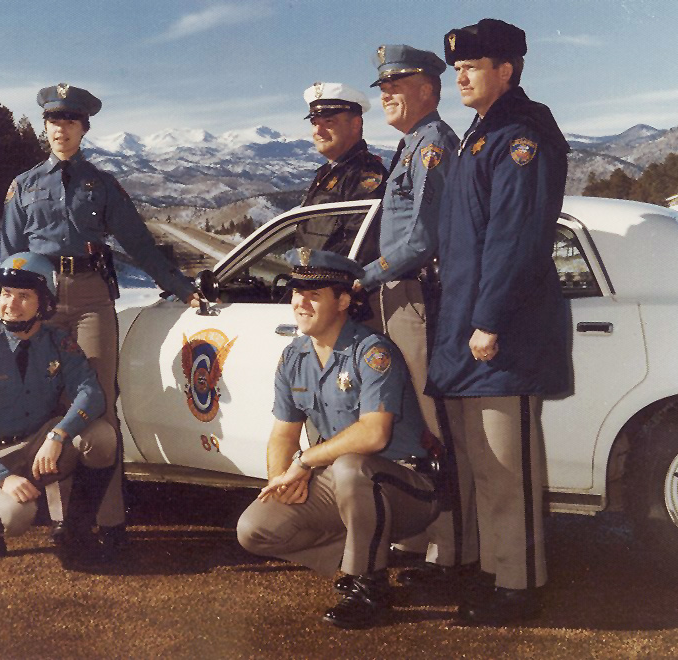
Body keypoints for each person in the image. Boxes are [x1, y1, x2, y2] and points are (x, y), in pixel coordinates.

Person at [1, 83, 200, 560]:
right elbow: (9, 253)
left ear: (84, 129)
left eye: (71, 122)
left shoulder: (101, 185)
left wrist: (180, 287)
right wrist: (13, 305)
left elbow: (139, 243)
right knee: (47, 402)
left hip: (91, 298)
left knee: (97, 404)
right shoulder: (23, 185)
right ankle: (60, 518)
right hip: (41, 298)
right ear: (45, 128)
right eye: (54, 122)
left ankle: (109, 520)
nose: (61, 129)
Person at [428, 19, 571, 624]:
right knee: (485, 467)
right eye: (457, 66)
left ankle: (519, 588)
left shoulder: (521, 135)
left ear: (506, 70)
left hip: (501, 336)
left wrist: (487, 320)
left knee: (508, 470)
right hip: (469, 333)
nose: (460, 74)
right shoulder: (480, 134)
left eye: (473, 64)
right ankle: (496, 577)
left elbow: (515, 240)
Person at [236, 248, 440, 630]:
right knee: (255, 529)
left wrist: (305, 461)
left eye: (314, 294)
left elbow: (374, 434)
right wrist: (280, 479)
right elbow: (284, 431)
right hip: (349, 484)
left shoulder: (373, 351)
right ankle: (358, 556)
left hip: (407, 485)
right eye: (297, 291)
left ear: (343, 300)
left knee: (350, 467)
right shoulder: (293, 356)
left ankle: (370, 586)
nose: (301, 302)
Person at [356, 45, 479, 587]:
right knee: (411, 424)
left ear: (428, 89)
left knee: (435, 426)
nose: (385, 92)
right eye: (383, 84)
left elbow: (423, 238)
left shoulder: (432, 145)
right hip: (397, 294)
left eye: (397, 83)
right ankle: (431, 540)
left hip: (417, 298)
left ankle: (454, 552)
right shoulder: (409, 146)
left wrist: (365, 275)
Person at [0, 252, 116, 560]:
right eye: (5, 293)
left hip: (39, 444)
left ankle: (76, 527)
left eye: (23, 296)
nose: (10, 304)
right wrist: (3, 477)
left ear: (46, 303)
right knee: (16, 517)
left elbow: (90, 392)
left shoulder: (58, 342)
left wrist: (58, 436)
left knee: (102, 437)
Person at [296, 82, 387, 254]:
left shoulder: (364, 175)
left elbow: (362, 247)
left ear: (355, 124)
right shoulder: (328, 173)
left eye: (328, 122)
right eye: (314, 122)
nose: (318, 130)